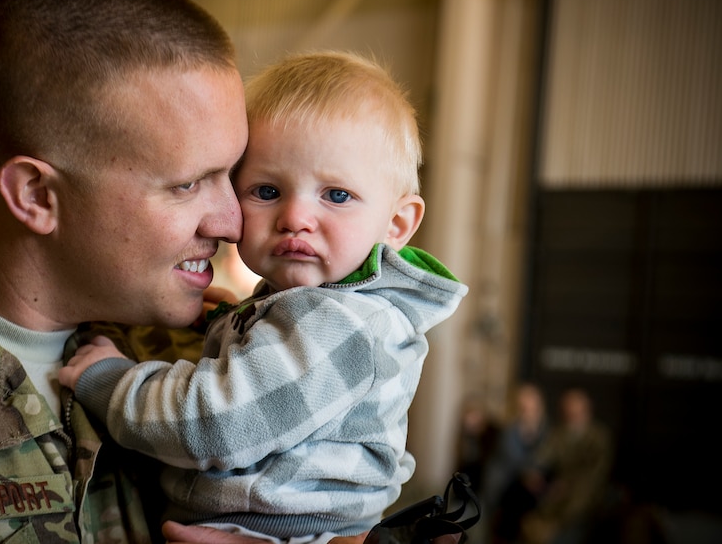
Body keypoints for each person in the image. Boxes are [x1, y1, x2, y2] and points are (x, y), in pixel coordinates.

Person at [0, 0, 340, 543]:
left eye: (233, 175)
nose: (233, 223)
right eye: (187, 184)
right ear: (37, 195)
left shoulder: (212, 348)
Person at [59, 51, 470, 543]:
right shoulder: (306, 307)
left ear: (397, 223)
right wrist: (226, 325)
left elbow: (214, 424)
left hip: (272, 532)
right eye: (267, 191)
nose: (295, 217)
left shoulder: (344, 324)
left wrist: (108, 380)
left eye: (336, 195)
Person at [519, 388, 613, 544]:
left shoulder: (599, 437)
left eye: (576, 412)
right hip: (557, 496)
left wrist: (567, 484)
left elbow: (596, 473)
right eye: (568, 412)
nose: (572, 416)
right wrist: (533, 471)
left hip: (586, 496)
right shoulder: (559, 434)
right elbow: (543, 455)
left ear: (586, 411)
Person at [482, 383, 549, 544]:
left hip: (536, 486)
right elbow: (512, 459)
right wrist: (529, 475)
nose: (528, 411)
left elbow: (547, 457)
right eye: (523, 407)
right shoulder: (510, 430)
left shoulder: (547, 430)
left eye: (531, 406)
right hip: (507, 484)